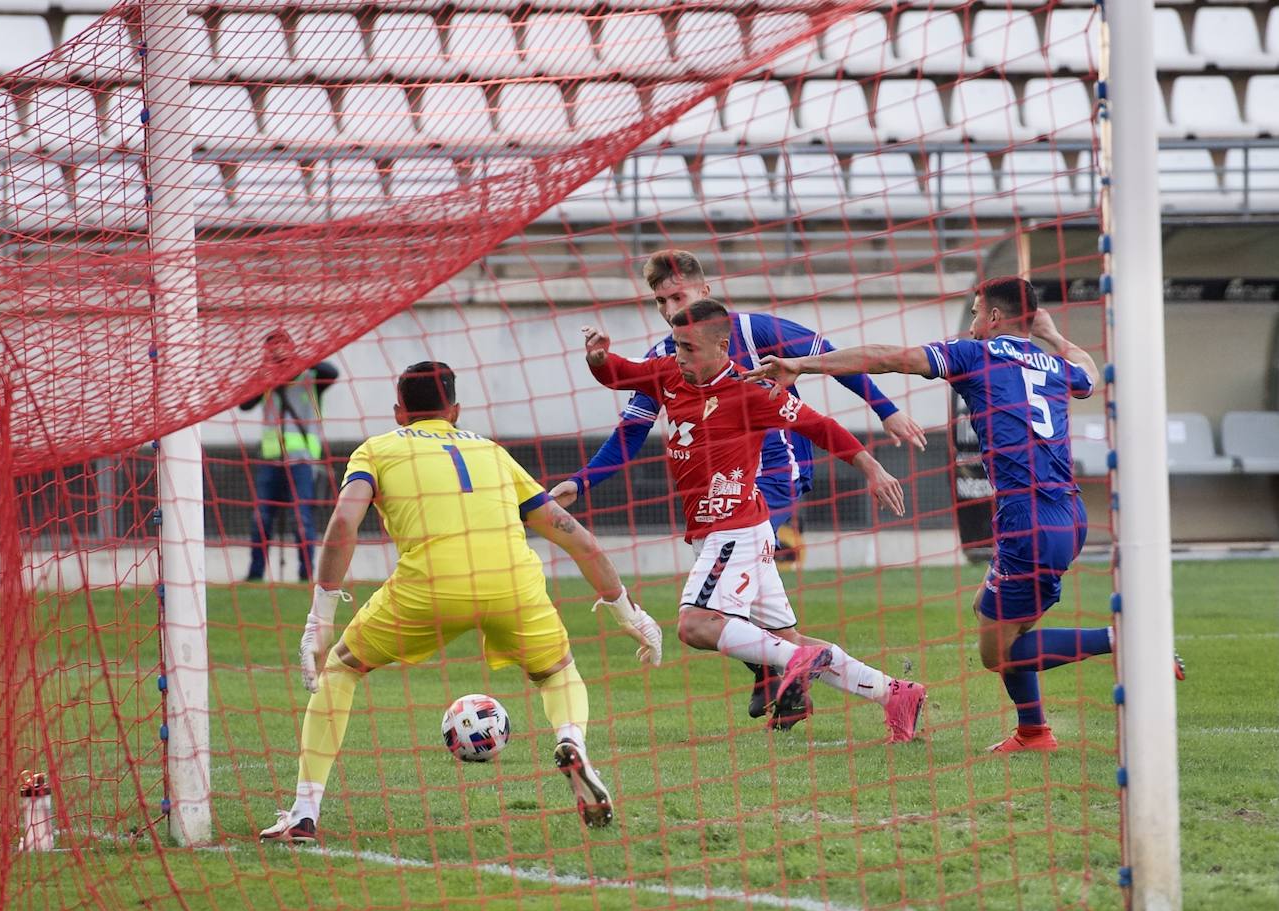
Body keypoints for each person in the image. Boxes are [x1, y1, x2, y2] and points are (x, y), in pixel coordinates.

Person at [746, 276, 1171, 753]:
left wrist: (803, 362)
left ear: (993, 317)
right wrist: (1052, 335)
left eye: (974, 312)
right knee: (991, 613)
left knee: (1001, 653)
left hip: (1025, 520)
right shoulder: (1054, 363)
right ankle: (1034, 732)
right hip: (1068, 514)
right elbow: (1090, 374)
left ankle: (1128, 641)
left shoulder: (977, 355)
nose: (971, 323)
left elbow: (889, 356)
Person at [259, 361, 662, 842]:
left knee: (342, 671)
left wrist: (320, 616)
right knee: (557, 673)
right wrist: (629, 613)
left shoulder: (377, 449)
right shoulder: (492, 451)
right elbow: (576, 537)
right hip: (512, 584)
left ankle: (304, 813)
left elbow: (344, 524)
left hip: (429, 587)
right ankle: (570, 740)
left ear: (398, 412)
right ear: (455, 410)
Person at [550, 250, 927, 726]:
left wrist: (874, 454)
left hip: (746, 515)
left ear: (720, 340)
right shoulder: (668, 367)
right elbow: (619, 377)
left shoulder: (754, 379)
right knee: (785, 641)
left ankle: (783, 669)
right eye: (660, 304)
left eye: (678, 303)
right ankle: (893, 693)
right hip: (727, 525)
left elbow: (820, 420)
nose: (672, 331)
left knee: (695, 623)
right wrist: (598, 358)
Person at [239, 330, 339, 582]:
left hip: (302, 459)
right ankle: (255, 575)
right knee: (261, 518)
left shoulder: (311, 376)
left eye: (283, 347)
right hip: (271, 460)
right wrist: (266, 373)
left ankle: (307, 575)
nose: (278, 352)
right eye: (273, 348)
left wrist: (298, 362)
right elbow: (244, 403)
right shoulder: (265, 379)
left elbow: (331, 372)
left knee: (301, 518)